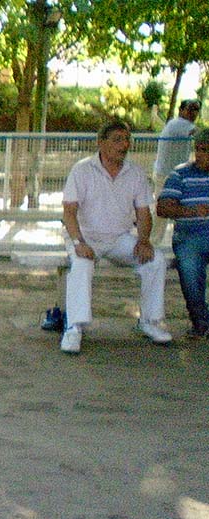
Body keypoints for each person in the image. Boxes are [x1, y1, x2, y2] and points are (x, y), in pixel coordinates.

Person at [59, 120, 172, 354]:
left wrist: (143, 241)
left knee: (155, 260)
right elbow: (69, 211)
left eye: (127, 139)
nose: (124, 145)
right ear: (101, 143)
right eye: (117, 139)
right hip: (85, 237)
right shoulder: (81, 170)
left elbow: (144, 213)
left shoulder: (136, 173)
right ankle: (74, 327)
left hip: (119, 238)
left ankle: (149, 321)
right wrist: (79, 243)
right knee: (81, 265)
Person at [157, 127, 209, 339]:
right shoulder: (181, 174)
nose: (200, 155)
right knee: (189, 267)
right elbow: (162, 208)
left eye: (205, 150)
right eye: (198, 149)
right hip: (190, 235)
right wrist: (191, 211)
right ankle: (201, 322)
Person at [152, 99, 201, 245]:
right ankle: (151, 245)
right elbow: (200, 134)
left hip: (172, 174)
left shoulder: (180, 125)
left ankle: (181, 245)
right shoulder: (179, 124)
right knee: (162, 212)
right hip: (166, 175)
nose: (193, 112)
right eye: (190, 109)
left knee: (180, 210)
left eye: (196, 109)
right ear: (181, 110)